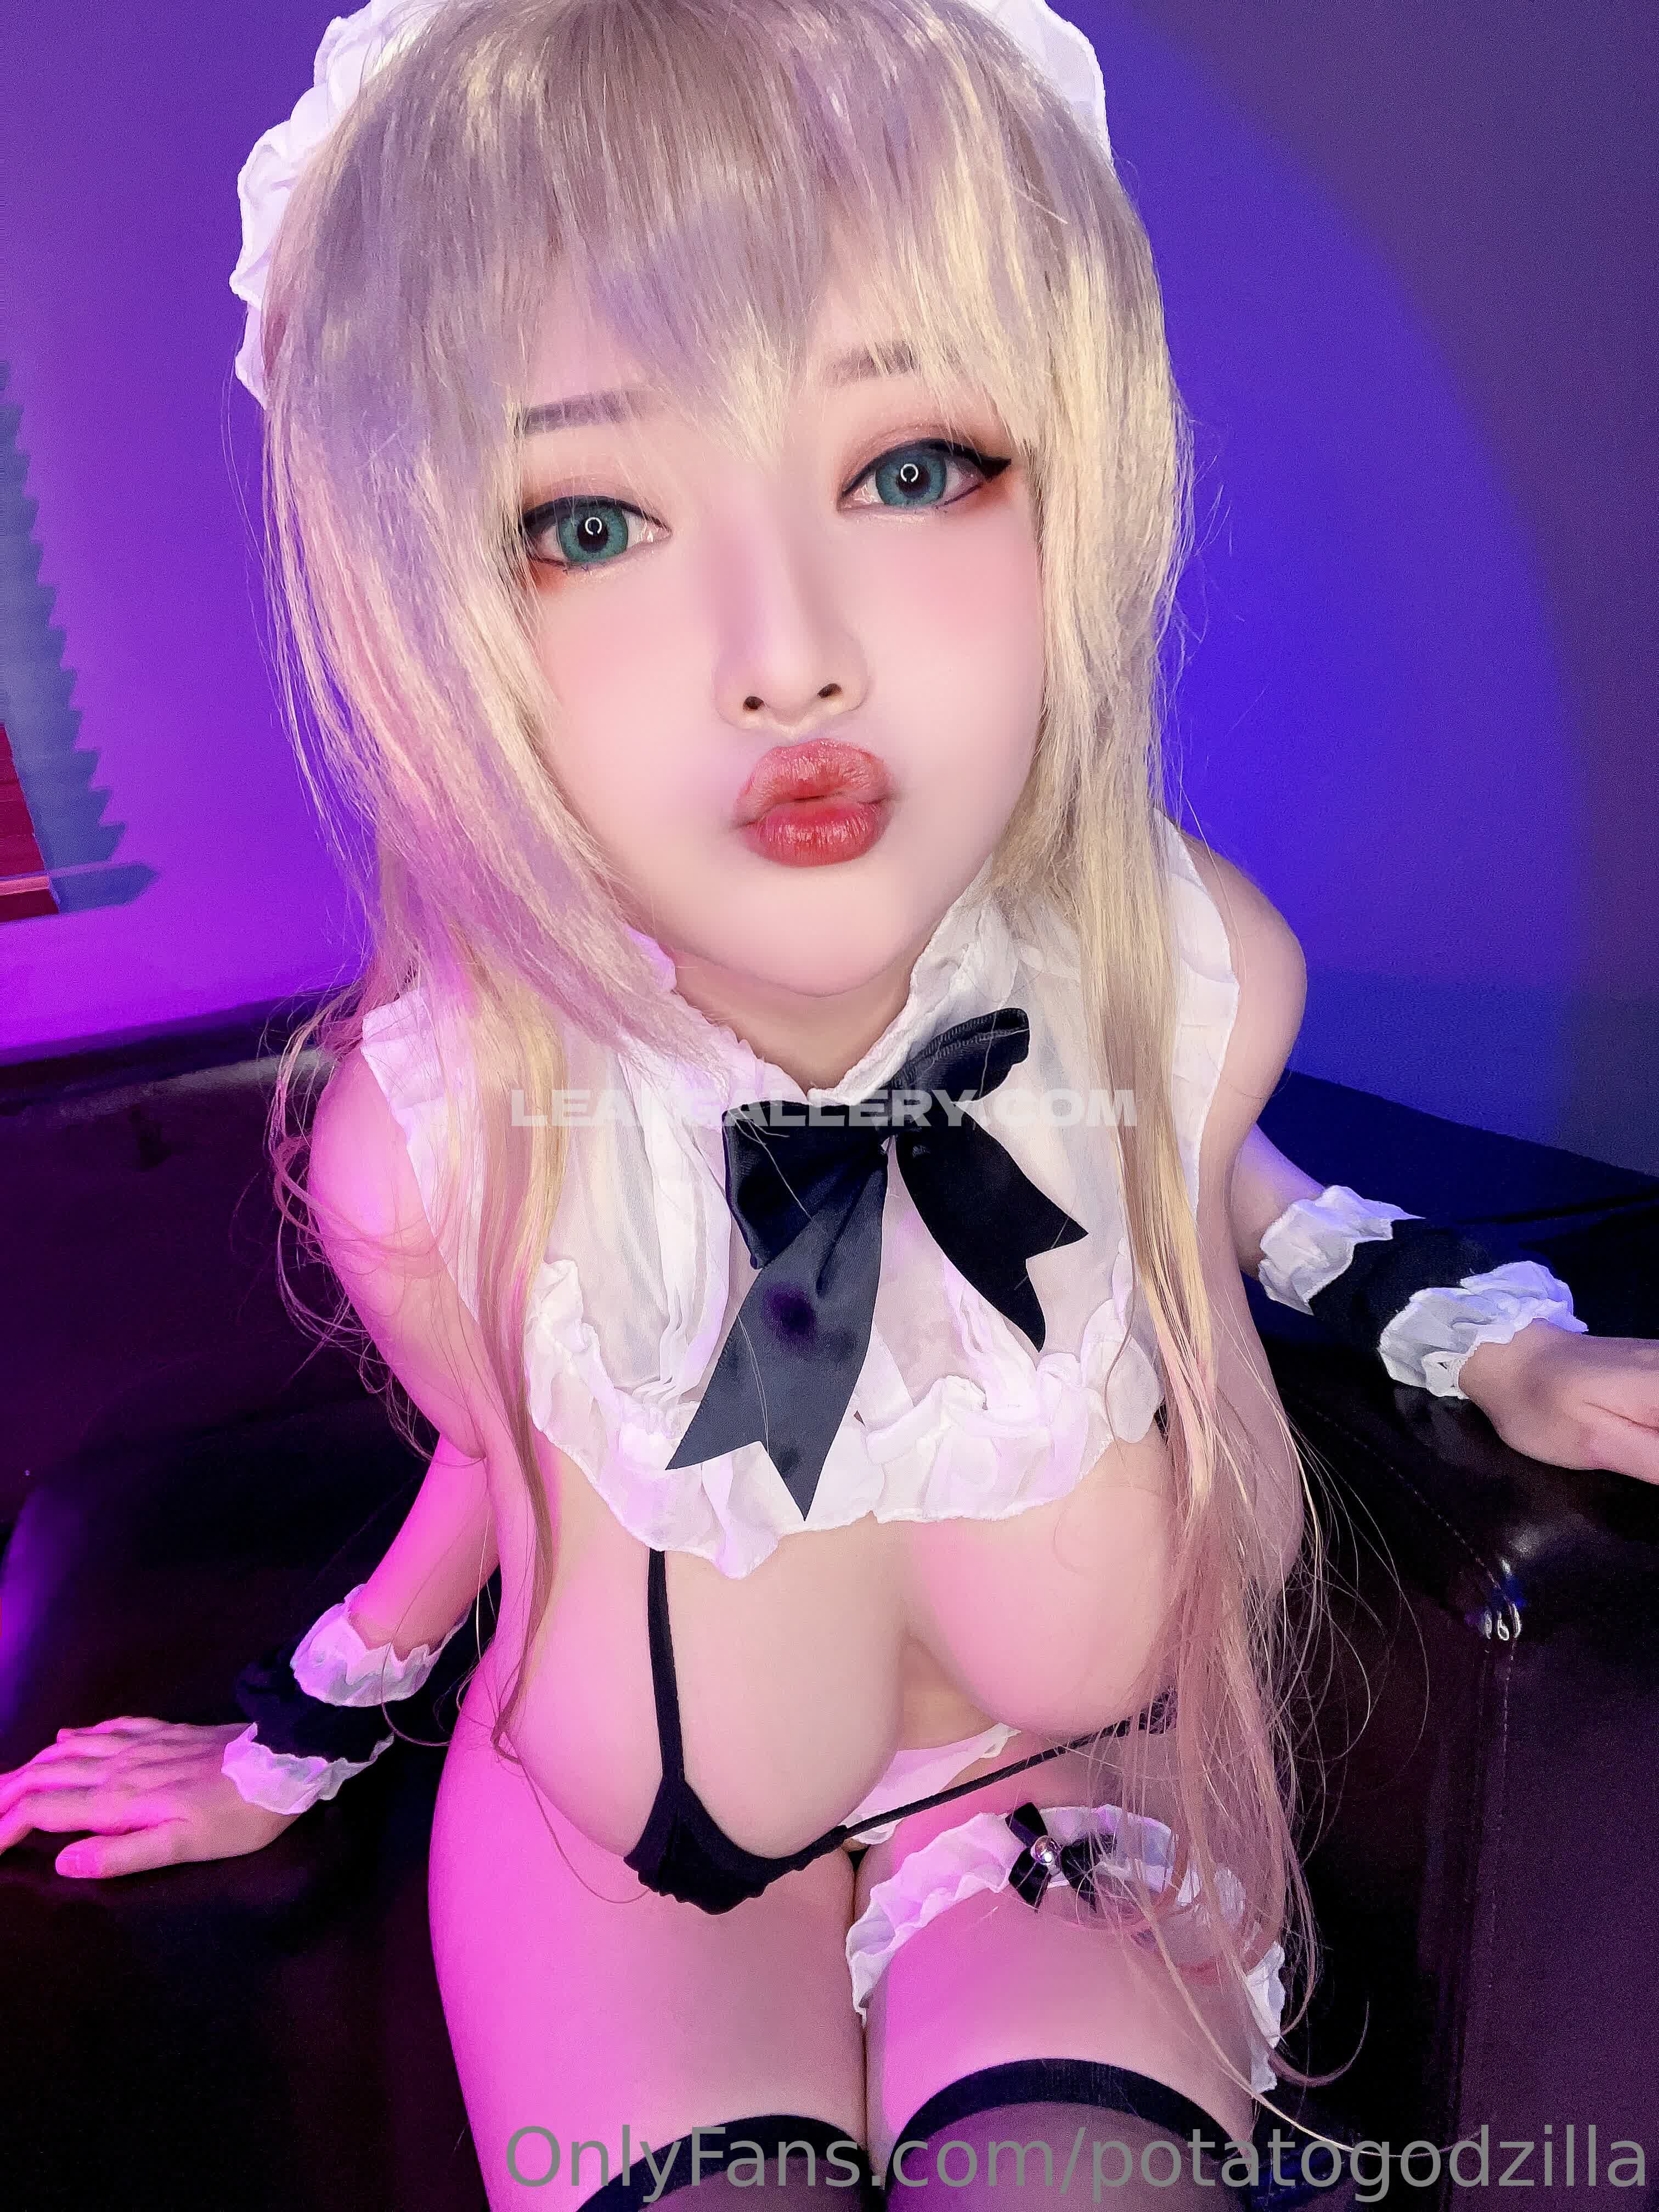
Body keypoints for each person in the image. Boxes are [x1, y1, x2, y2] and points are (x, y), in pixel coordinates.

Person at [4, 1, 1658, 2205]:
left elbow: (1260, 1207)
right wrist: (290, 1744)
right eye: (590, 520)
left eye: (915, 468)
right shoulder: (436, 1137)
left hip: (1075, 1798)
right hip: (634, 1861)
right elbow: (495, 1483)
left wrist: (1510, 1354)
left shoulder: (1168, 971)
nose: (789, 651)